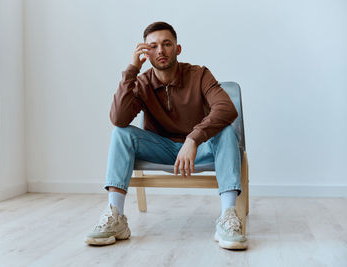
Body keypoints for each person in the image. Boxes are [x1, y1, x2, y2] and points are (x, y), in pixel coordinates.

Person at [84, 21, 247, 250]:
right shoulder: (142, 83)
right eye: (153, 46)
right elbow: (119, 118)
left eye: (167, 44)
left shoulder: (200, 75)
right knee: (121, 134)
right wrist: (132, 70)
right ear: (145, 52)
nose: (160, 50)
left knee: (228, 132)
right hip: (160, 147)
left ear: (177, 49)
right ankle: (116, 216)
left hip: (199, 149)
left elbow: (227, 109)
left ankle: (229, 218)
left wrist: (193, 139)